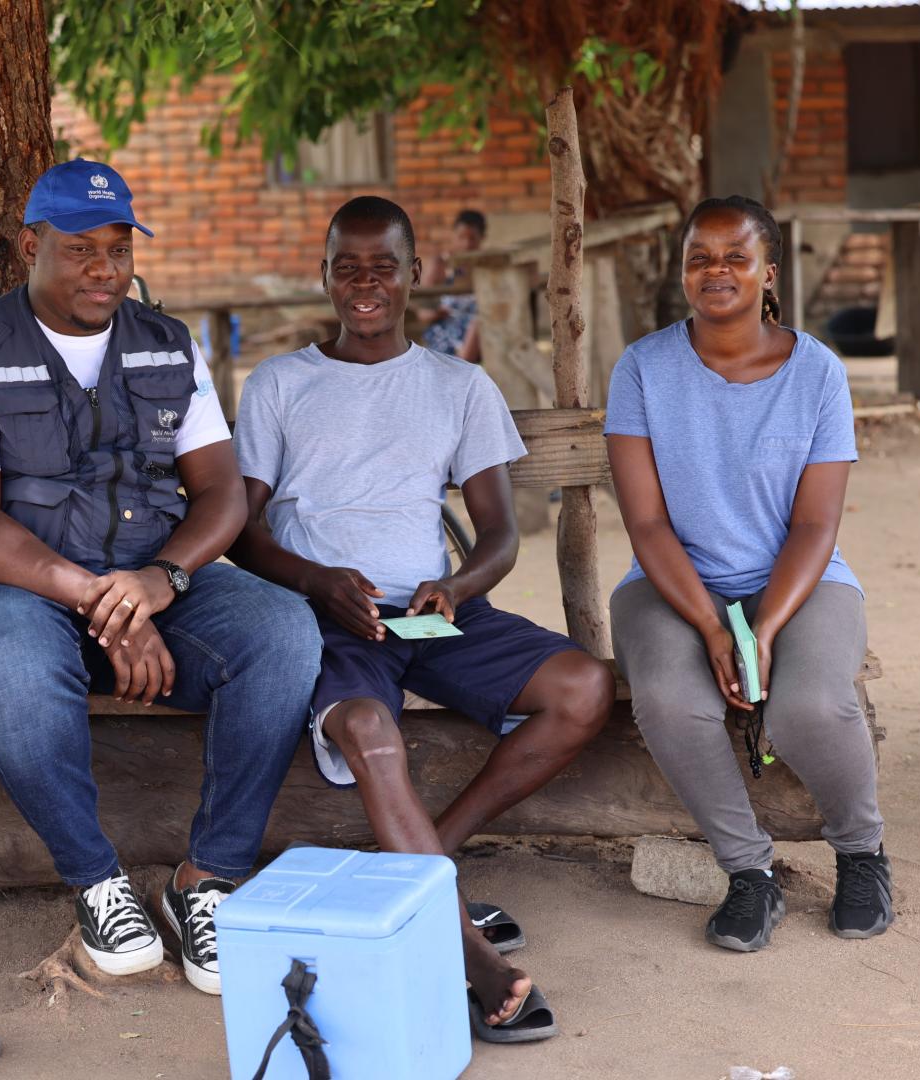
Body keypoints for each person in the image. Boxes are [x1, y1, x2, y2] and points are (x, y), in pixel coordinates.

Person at [0, 159, 320, 998]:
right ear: (29, 245)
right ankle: (98, 884)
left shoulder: (167, 346)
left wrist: (162, 580)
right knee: (11, 670)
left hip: (151, 574)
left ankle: (205, 880)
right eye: (79, 250)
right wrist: (99, 599)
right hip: (16, 587)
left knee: (283, 631)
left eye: (118, 249)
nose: (104, 269)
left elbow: (218, 492)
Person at [229, 196, 615, 1044]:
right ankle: (473, 959)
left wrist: (459, 585)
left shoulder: (457, 385)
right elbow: (242, 534)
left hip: (429, 611)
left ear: (413, 276)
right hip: (327, 617)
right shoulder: (281, 384)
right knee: (366, 727)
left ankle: (423, 864)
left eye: (383, 267)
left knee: (584, 686)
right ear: (324, 275)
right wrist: (317, 581)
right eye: (347, 266)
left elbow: (501, 535)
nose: (365, 284)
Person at [604, 194, 892, 954]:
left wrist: (760, 628)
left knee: (808, 708)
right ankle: (747, 873)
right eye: (699, 257)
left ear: (768, 272)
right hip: (671, 583)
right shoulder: (642, 368)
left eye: (735, 256)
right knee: (669, 700)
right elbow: (647, 524)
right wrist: (708, 623)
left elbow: (813, 525)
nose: (716, 270)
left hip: (797, 579)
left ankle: (861, 852)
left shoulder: (817, 373)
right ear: (682, 273)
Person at [418, 208, 485, 362]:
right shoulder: (440, 265)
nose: (467, 244)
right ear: (453, 236)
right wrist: (436, 314)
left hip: (478, 334)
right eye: (461, 237)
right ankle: (460, 369)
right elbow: (423, 313)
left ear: (482, 238)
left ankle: (461, 368)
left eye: (472, 238)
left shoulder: (486, 267)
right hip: (445, 330)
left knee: (478, 323)